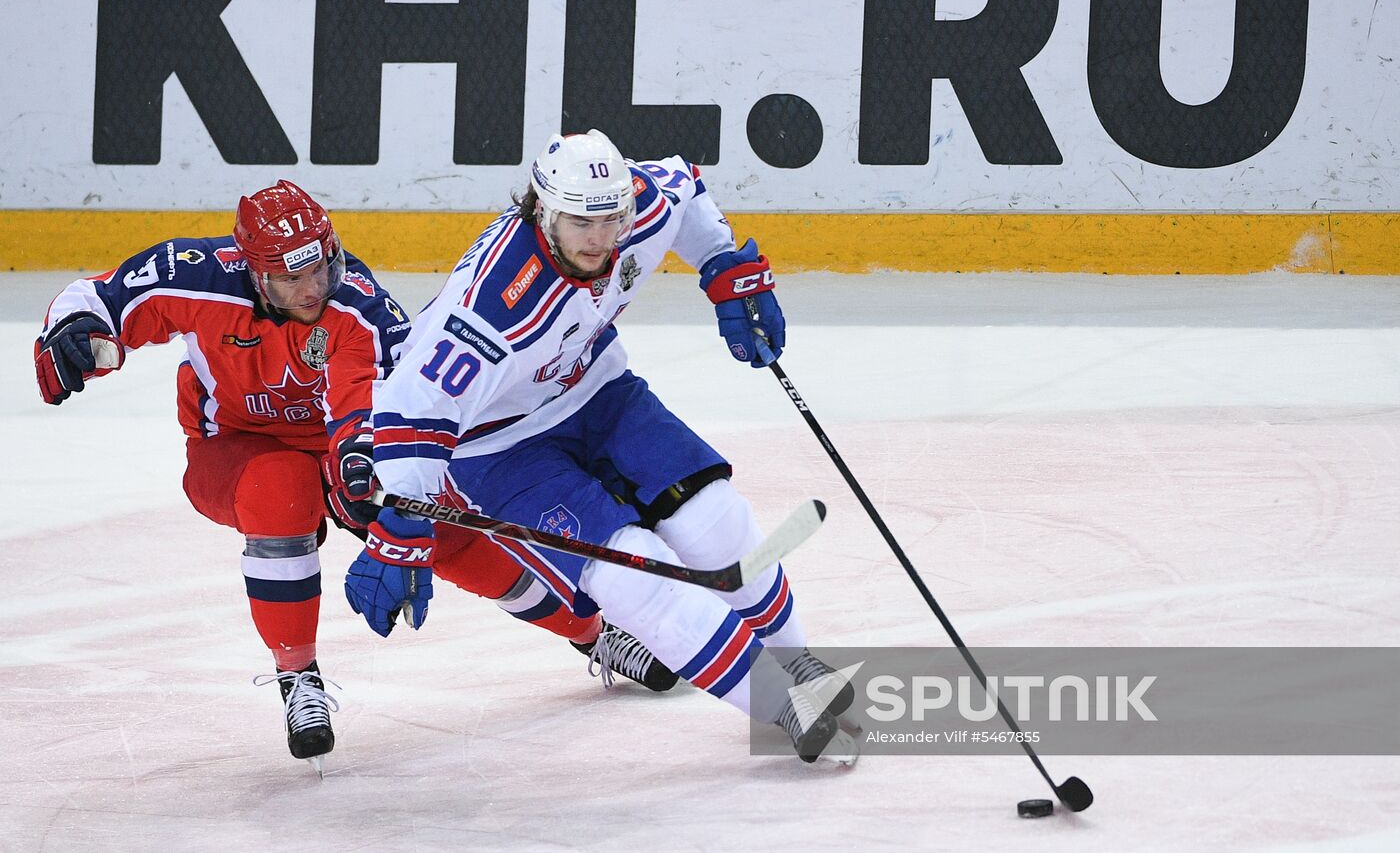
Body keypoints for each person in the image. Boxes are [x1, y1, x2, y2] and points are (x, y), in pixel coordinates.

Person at [34, 180, 674, 772]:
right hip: (230, 448)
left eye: (321, 264)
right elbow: (96, 298)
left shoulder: (361, 308)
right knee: (279, 490)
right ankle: (298, 677)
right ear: (255, 273)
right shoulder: (193, 277)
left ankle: (592, 633)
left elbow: (380, 415)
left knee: (444, 533)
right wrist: (70, 333)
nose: (314, 286)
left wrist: (376, 491)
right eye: (292, 276)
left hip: (341, 439)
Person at [331, 131, 858, 762]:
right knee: (632, 578)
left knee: (717, 524)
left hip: (600, 394)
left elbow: (683, 183)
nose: (599, 237)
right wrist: (402, 527)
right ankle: (781, 706)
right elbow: (410, 412)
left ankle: (801, 668)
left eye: (611, 219)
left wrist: (724, 267)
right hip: (500, 450)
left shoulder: (634, 209)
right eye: (580, 220)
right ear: (542, 210)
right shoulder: (493, 305)